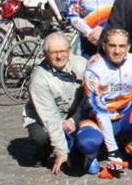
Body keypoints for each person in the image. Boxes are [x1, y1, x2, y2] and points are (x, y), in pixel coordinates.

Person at [75, 29, 132, 175]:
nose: (117, 51)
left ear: (128, 47)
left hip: (124, 117)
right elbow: (101, 112)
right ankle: (92, 155)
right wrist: (113, 151)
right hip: (97, 120)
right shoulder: (93, 70)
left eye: (122, 46)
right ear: (104, 46)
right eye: (112, 46)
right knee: (88, 143)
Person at [23, 32, 86, 174]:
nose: (59, 56)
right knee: (40, 137)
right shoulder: (39, 79)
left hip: (73, 112)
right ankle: (43, 152)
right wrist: (61, 151)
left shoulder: (82, 65)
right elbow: (49, 117)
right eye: (54, 52)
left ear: (69, 51)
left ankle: (78, 146)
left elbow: (89, 99)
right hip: (42, 115)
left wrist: (73, 120)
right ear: (45, 54)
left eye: (63, 51)